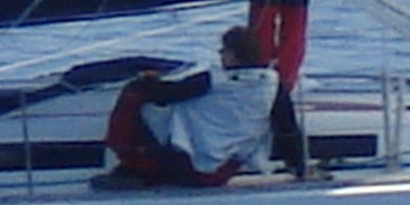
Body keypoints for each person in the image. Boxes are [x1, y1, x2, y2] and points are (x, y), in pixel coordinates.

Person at [101, 25, 281, 188]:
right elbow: (287, 127)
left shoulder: (212, 80)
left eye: (223, 51)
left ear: (234, 54)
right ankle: (142, 167)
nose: (221, 56)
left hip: (192, 168)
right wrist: (295, 164)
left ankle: (135, 164)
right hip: (225, 169)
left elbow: (167, 94)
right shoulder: (272, 83)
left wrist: (146, 80)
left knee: (137, 94)